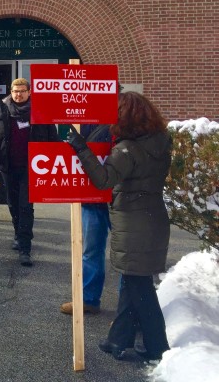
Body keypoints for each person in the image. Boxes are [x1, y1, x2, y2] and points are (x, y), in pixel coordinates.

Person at [66, 91, 172, 361]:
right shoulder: (160, 141)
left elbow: (104, 179)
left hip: (133, 221)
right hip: (153, 218)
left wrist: (81, 148)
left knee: (139, 288)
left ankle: (157, 347)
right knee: (134, 281)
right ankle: (118, 340)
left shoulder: (128, 149)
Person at [0, 78, 59, 267]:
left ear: (29, 92)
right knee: (13, 203)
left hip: (32, 168)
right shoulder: (2, 111)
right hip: (8, 167)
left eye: (22, 91)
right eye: (15, 91)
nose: (18, 94)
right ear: (11, 91)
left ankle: (25, 248)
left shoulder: (40, 113)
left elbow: (52, 140)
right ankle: (18, 233)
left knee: (25, 206)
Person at [60, 124, 112, 315]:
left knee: (127, 256)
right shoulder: (81, 120)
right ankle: (88, 299)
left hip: (119, 198)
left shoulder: (123, 118)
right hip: (92, 195)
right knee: (91, 249)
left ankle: (128, 311)